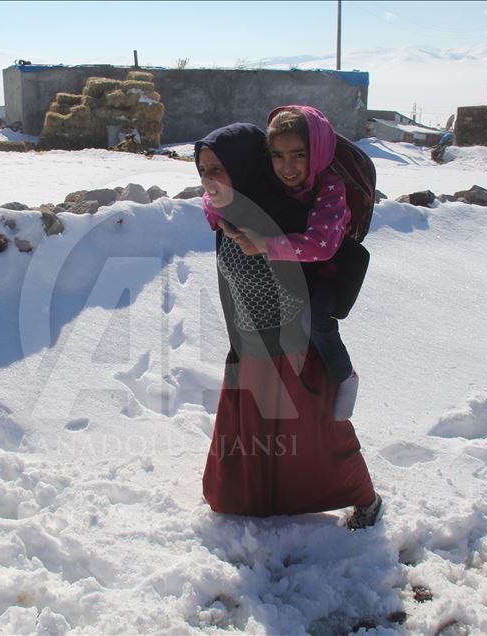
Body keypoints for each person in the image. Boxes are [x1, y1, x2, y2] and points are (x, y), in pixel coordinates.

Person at [196, 123, 383, 528]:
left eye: (218, 169)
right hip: (249, 349)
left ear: (244, 167)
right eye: (203, 170)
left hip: (291, 353)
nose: (209, 180)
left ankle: (364, 498)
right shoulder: (227, 215)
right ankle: (254, 504)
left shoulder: (280, 218)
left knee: (315, 442)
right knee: (251, 443)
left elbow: (308, 271)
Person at [203, 106, 359, 422]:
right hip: (289, 272)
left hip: (323, 272)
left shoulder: (329, 186)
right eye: (277, 156)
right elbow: (212, 198)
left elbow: (322, 245)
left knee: (314, 320)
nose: (287, 167)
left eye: (298, 155)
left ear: (317, 152)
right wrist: (222, 220)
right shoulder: (272, 181)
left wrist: (264, 245)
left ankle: (344, 375)